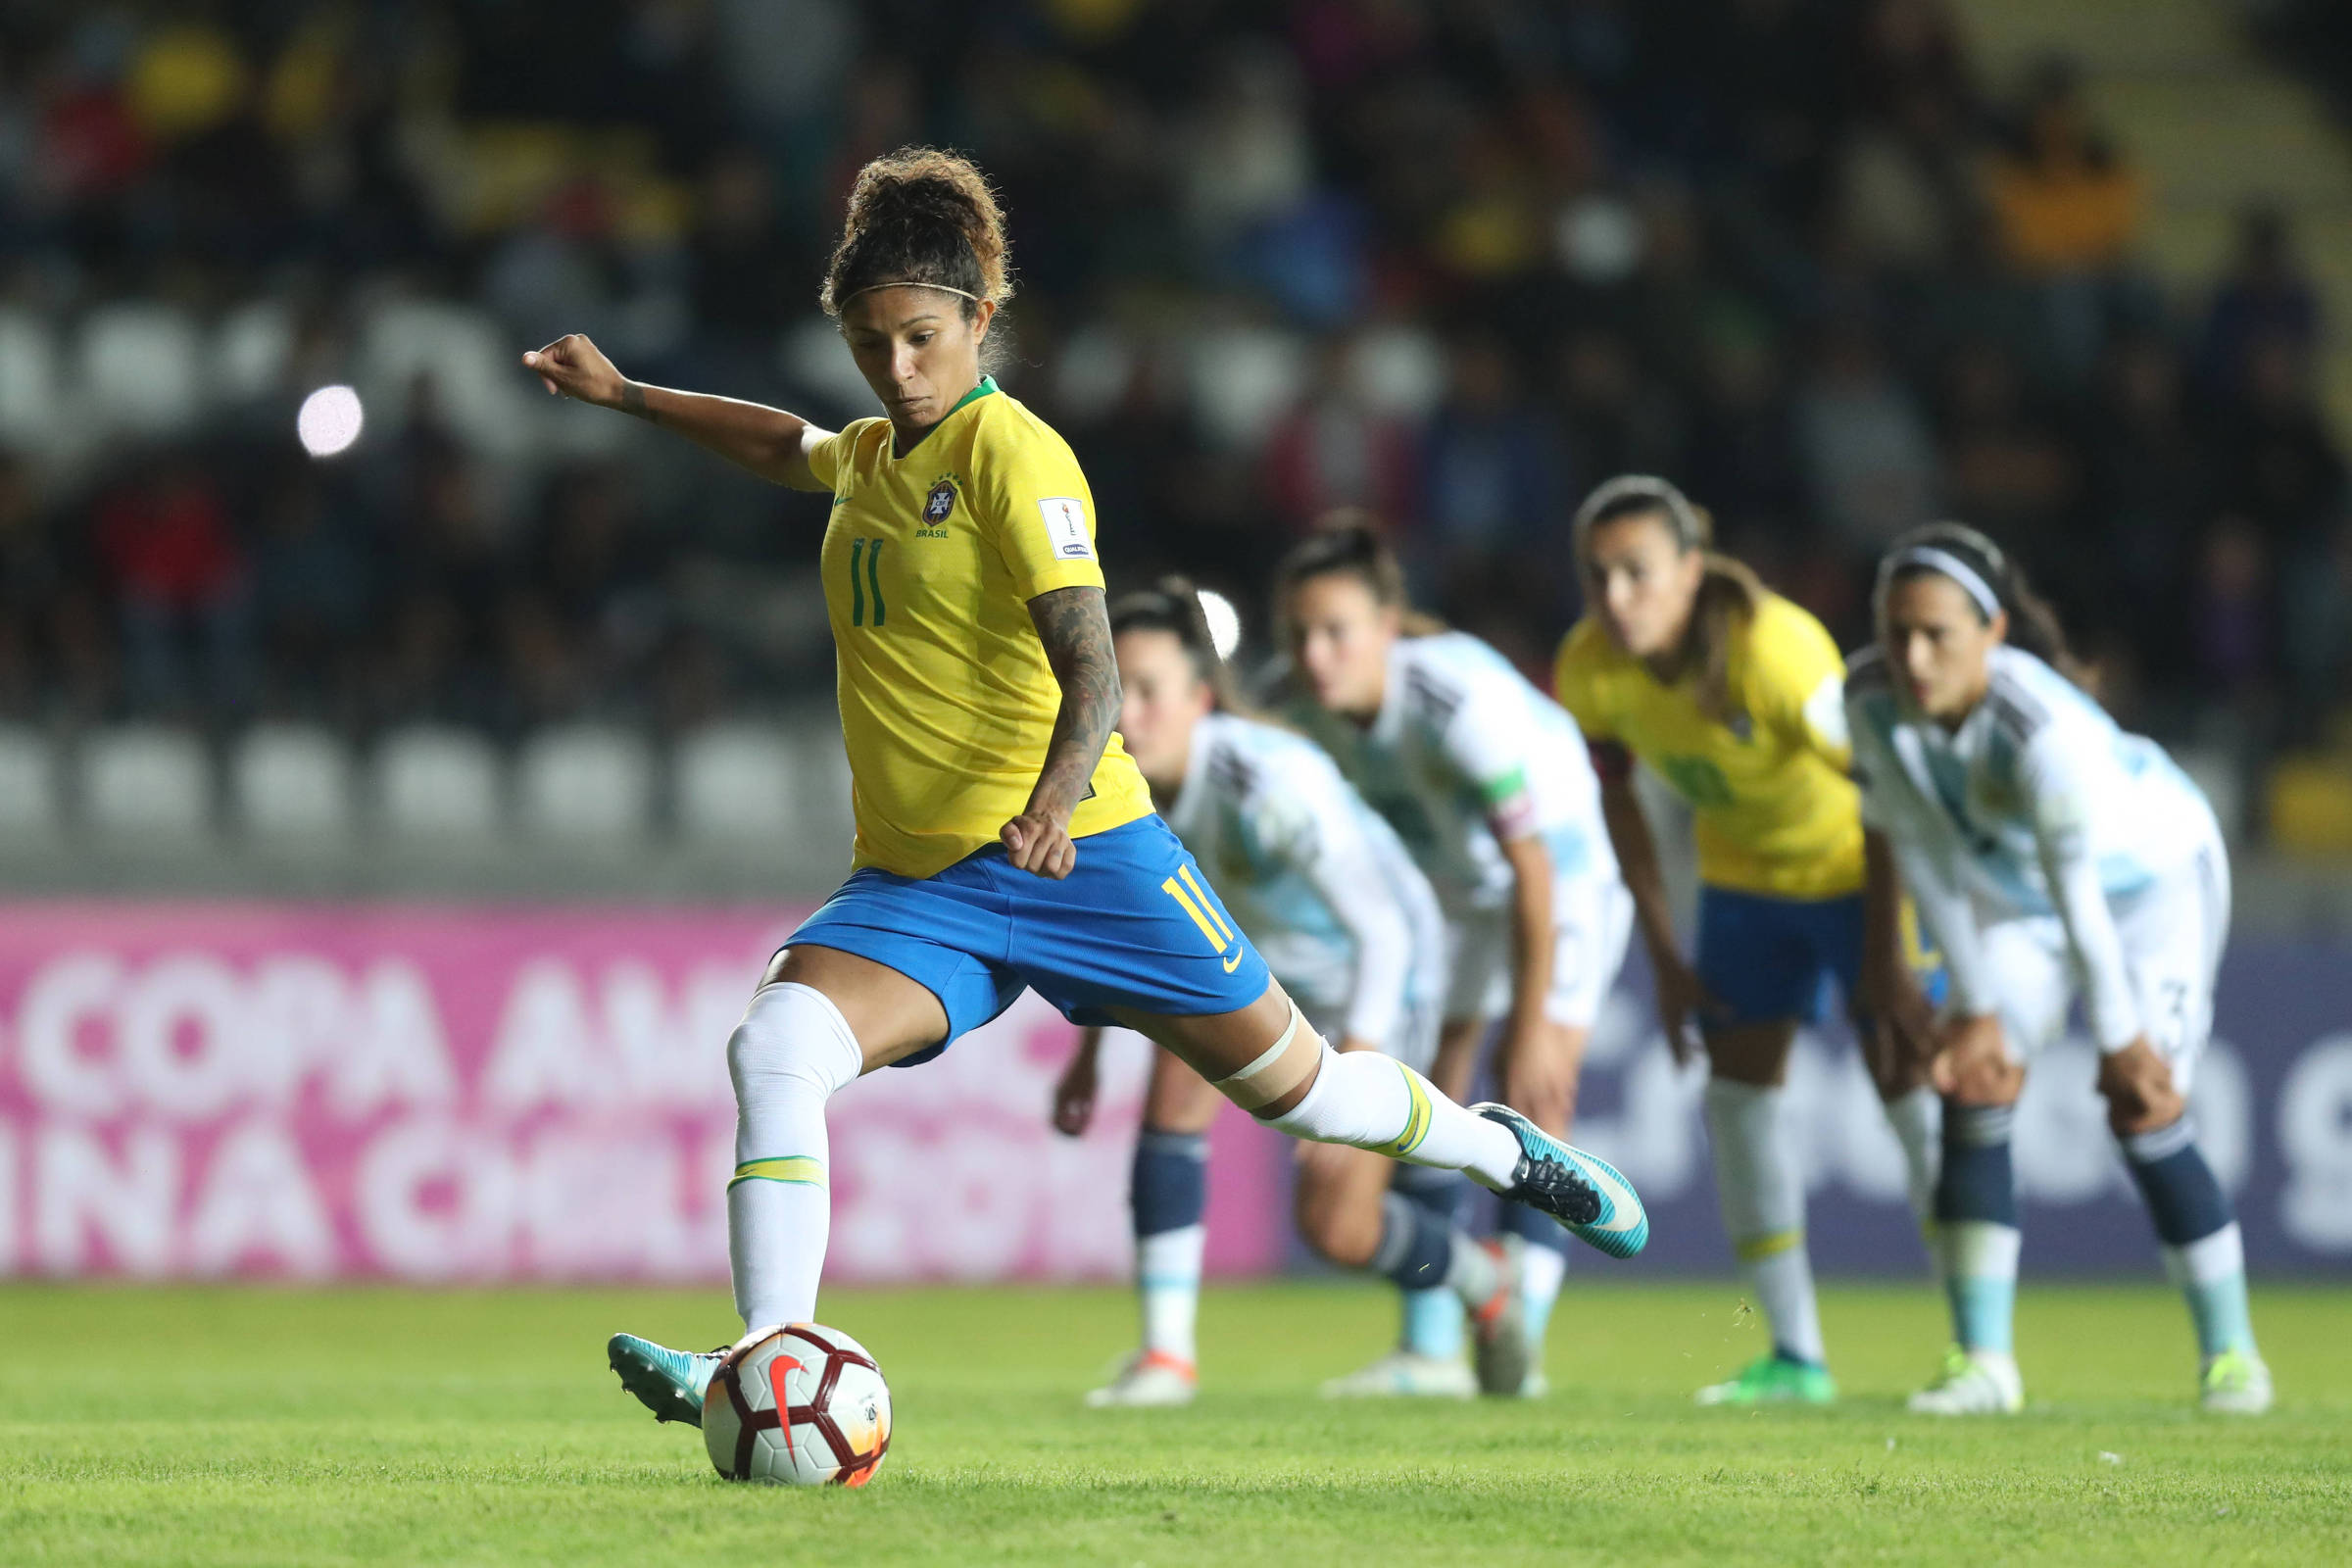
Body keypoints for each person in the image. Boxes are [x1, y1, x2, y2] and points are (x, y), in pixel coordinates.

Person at [516, 147, 1647, 1430]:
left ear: (980, 320)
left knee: (1306, 1091)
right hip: (923, 885)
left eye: (925, 339)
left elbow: (1095, 668)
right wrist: (625, 396)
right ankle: (766, 1355)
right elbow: (791, 445)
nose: (900, 368)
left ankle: (1506, 1151)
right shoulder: (877, 459)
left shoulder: (1019, 458)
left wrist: (1057, 798)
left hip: (1089, 853)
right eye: (874, 343)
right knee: (776, 1045)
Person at [1052, 581, 1530, 1405]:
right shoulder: (1113, 798)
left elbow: (1383, 927)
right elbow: (1123, 946)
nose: (1129, 719)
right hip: (1267, 981)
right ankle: (1166, 1358)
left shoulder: (1265, 782)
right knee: (1174, 1086)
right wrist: (1089, 1057)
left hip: (1378, 979)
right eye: (1114, 696)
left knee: (1337, 1230)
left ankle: (1476, 1277)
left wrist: (1361, 1070)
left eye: (1151, 693)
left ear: (1201, 698)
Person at [1848, 521, 2272, 1416]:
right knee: (1974, 1076)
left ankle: (2234, 1357)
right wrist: (1974, 1007)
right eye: (1897, 634)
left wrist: (2119, 1041)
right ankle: (1986, 1365)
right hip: (2023, 895)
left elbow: (2083, 897)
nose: (1913, 657)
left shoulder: (2042, 732)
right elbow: (1921, 850)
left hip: (2151, 887)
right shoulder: (1870, 698)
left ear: (1993, 633)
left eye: (1938, 635)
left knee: (2142, 1098)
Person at [1554, 474, 1943, 1406]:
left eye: (1638, 574)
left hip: (1857, 876)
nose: (1616, 598)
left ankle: (1981, 1348)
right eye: (1598, 576)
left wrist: (1889, 954)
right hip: (1741, 890)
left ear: (1692, 570)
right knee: (1735, 1104)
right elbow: (1618, 800)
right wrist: (1664, 954)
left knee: (1913, 1095)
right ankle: (1796, 1358)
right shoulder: (1590, 668)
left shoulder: (1780, 653)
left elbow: (1887, 786)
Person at [1275, 521, 1633, 1396]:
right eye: (1302, 634)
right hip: (1459, 898)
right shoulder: (1305, 708)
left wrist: (1540, 1024)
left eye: (1338, 632)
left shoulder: (1450, 704)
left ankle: (1522, 1352)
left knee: (1533, 1091)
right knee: (1433, 1107)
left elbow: (1534, 865)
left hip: (1562, 873)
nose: (1318, 656)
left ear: (1389, 626)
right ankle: (1433, 1350)